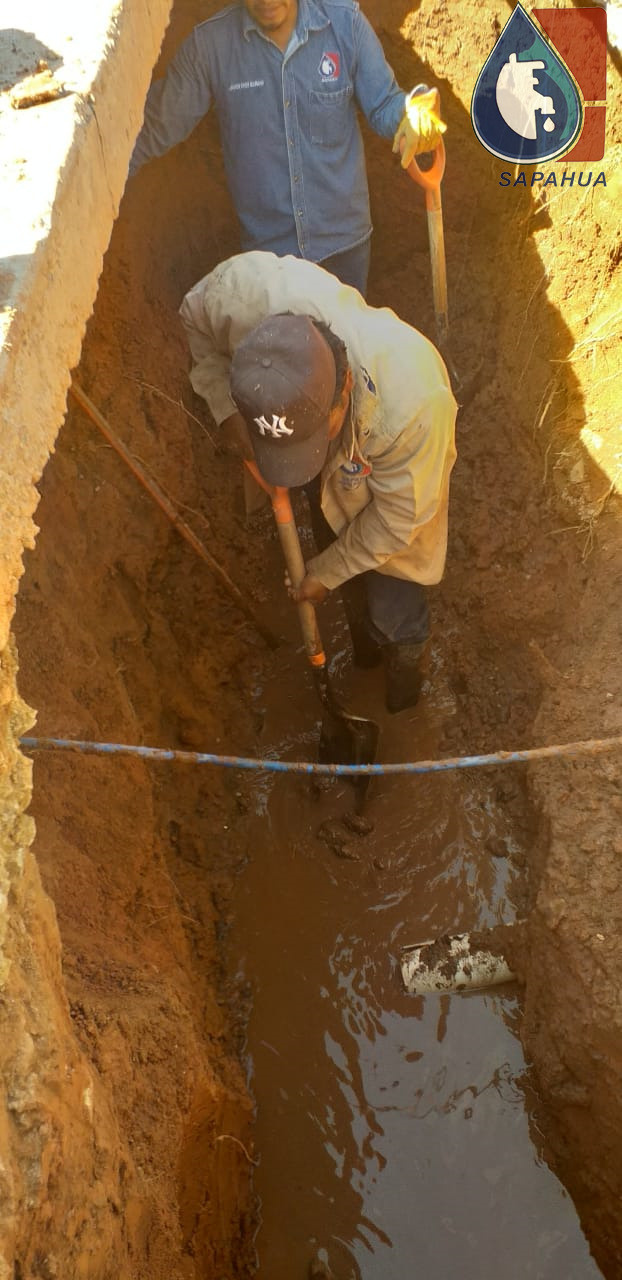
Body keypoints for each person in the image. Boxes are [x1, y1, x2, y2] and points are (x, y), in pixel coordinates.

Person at [179, 250, 457, 713]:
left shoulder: (414, 407)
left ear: (342, 392)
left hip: (396, 488)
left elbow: (395, 522)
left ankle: (404, 690)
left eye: (310, 441)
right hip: (338, 461)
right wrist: (226, 409)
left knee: (393, 594)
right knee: (344, 562)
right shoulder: (244, 297)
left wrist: (323, 573)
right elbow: (193, 318)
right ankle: (364, 657)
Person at [129, 0, 444, 296]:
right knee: (289, 350)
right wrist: (99, 188)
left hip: (344, 249)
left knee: (344, 346)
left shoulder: (344, 24)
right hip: (269, 263)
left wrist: (410, 115)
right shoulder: (210, 47)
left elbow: (384, 104)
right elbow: (154, 128)